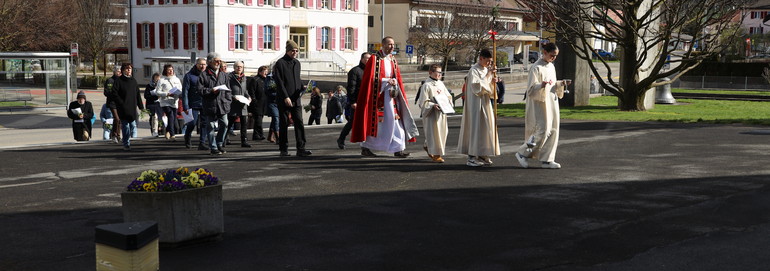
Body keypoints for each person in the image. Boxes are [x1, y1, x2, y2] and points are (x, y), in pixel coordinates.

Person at [350, 36, 418, 158]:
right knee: (376, 125)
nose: (392, 47)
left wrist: (394, 82)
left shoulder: (393, 60)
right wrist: (387, 81)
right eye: (389, 44)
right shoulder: (374, 59)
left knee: (396, 122)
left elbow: (397, 78)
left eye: (393, 44)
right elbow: (370, 80)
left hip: (391, 97)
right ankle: (366, 147)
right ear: (383, 45)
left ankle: (398, 148)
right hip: (377, 97)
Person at [515, 42, 569, 169]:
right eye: (552, 55)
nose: (554, 58)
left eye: (555, 56)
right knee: (542, 130)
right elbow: (531, 89)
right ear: (544, 52)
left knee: (554, 129)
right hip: (539, 102)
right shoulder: (536, 67)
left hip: (551, 101)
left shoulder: (551, 66)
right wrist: (541, 85)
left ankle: (547, 158)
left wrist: (561, 83)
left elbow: (553, 83)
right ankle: (522, 153)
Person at [457, 48, 500, 167]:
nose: (489, 64)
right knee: (475, 128)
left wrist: (493, 81)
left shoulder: (486, 69)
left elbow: (488, 86)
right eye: (488, 61)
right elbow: (477, 87)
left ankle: (482, 152)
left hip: (485, 103)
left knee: (487, 127)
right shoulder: (473, 70)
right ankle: (471, 156)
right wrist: (489, 75)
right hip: (476, 104)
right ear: (481, 58)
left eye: (491, 61)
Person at [273, 40, 312, 157]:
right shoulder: (280, 63)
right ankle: (283, 149)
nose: (295, 53)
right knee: (284, 123)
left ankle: (301, 148)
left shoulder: (297, 63)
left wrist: (302, 86)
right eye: (293, 51)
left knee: (299, 122)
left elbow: (296, 79)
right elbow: (279, 82)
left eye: (296, 51)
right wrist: (285, 96)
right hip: (284, 99)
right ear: (287, 51)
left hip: (296, 98)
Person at [417, 64, 453, 163]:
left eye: (440, 72)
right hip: (432, 114)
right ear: (430, 73)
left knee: (443, 132)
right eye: (437, 72)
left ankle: (427, 146)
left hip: (441, 113)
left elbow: (448, 96)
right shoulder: (426, 85)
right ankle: (436, 154)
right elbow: (423, 102)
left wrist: (448, 102)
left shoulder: (441, 84)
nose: (439, 74)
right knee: (434, 134)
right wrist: (432, 105)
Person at [198, 52, 231, 155]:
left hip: (222, 103)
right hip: (210, 104)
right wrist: (210, 91)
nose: (218, 63)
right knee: (211, 126)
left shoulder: (223, 74)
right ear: (210, 62)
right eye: (216, 61)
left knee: (225, 124)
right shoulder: (204, 75)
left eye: (219, 61)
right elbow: (200, 90)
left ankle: (219, 143)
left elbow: (228, 90)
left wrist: (228, 101)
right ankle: (213, 147)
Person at [337, 52, 370, 149]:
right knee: (353, 122)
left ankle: (365, 145)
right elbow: (351, 87)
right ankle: (341, 138)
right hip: (357, 101)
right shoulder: (355, 71)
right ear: (362, 59)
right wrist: (353, 102)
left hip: (367, 101)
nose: (368, 61)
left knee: (366, 123)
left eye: (370, 59)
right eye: (367, 59)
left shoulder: (370, 71)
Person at [112, 63, 145, 151]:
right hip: (123, 107)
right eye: (127, 69)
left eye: (130, 69)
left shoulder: (133, 81)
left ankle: (130, 140)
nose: (129, 70)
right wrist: (120, 102)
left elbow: (138, 95)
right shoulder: (119, 81)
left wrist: (141, 107)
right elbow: (114, 93)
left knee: (132, 125)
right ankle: (126, 143)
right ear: (123, 70)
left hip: (132, 107)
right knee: (125, 126)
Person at [182, 58, 209, 150]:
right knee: (192, 123)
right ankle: (187, 135)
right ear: (196, 64)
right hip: (193, 103)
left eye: (204, 64)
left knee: (204, 123)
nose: (203, 66)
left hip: (205, 102)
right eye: (201, 64)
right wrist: (185, 106)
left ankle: (202, 142)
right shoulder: (189, 76)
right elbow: (185, 92)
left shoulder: (207, 75)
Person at [226, 61, 252, 148]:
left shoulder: (244, 77)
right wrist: (232, 96)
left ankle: (244, 140)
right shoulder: (229, 77)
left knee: (244, 124)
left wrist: (248, 97)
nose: (239, 68)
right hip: (233, 103)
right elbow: (227, 90)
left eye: (241, 67)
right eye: (237, 66)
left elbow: (245, 90)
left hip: (243, 104)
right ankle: (225, 138)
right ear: (234, 67)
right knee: (230, 123)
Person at [155, 64, 182, 141]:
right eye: (169, 70)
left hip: (174, 101)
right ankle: (172, 135)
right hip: (165, 101)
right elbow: (157, 92)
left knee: (173, 118)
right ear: (165, 71)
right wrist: (166, 93)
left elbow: (181, 89)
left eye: (172, 70)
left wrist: (177, 93)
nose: (171, 71)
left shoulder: (177, 79)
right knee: (170, 115)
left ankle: (167, 130)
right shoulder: (161, 80)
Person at [247, 65, 268, 141]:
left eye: (267, 71)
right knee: (258, 120)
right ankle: (261, 134)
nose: (266, 73)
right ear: (260, 72)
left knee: (259, 119)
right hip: (257, 103)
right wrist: (254, 100)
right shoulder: (255, 80)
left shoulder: (266, 80)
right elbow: (251, 91)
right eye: (264, 71)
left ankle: (255, 135)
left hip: (263, 103)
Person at [104, 66, 121, 143]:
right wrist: (115, 94)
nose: (119, 73)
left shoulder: (122, 80)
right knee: (116, 118)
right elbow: (106, 92)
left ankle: (118, 135)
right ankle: (114, 134)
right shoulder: (110, 80)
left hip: (120, 102)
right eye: (118, 71)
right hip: (112, 103)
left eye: (120, 71)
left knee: (120, 119)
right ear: (114, 72)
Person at [264, 68, 280, 143]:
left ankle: (270, 136)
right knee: (276, 118)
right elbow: (267, 90)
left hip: (279, 102)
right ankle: (278, 137)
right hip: (272, 101)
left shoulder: (281, 77)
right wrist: (278, 94)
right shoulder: (269, 78)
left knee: (275, 119)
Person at [144, 73, 161, 137]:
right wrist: (155, 97)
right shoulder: (149, 86)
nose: (157, 81)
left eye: (158, 79)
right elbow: (146, 96)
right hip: (151, 104)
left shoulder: (161, 85)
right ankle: (154, 131)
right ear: (153, 79)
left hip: (159, 104)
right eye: (156, 79)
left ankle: (159, 130)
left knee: (159, 118)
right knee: (153, 117)